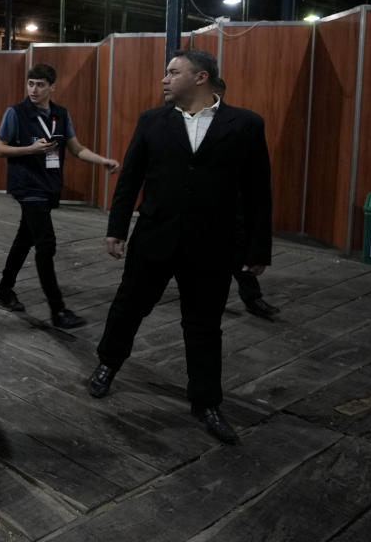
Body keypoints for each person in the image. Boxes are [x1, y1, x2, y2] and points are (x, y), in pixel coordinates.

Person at [87, 49, 272, 445]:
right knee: (129, 306)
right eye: (165, 73)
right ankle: (107, 363)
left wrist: (257, 249)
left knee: (204, 325)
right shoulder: (152, 121)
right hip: (155, 236)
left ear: (201, 77)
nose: (164, 79)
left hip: (213, 245)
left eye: (173, 72)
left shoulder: (246, 125)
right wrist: (116, 227)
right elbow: (130, 178)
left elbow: (259, 192)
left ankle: (206, 402)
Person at [0, 63, 120, 329]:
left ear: (52, 87)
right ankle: (58, 309)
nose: (34, 89)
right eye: (30, 84)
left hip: (49, 185)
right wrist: (31, 149)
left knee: (24, 239)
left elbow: (76, 148)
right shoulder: (15, 113)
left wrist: (103, 161)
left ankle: (4, 291)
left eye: (40, 84)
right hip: (27, 187)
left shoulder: (60, 114)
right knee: (46, 244)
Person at [210, 77, 279, 321]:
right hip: (206, 206)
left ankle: (252, 299)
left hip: (234, 203)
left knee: (238, 253)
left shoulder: (239, 123)